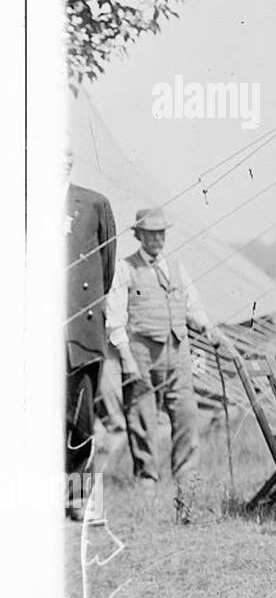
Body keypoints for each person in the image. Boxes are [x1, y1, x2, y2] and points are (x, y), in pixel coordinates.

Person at [103, 208, 219, 491]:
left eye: (161, 233)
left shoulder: (176, 266)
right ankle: (147, 479)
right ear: (139, 235)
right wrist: (126, 357)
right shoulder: (125, 268)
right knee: (142, 417)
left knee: (186, 413)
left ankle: (187, 478)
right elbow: (114, 317)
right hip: (141, 351)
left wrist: (207, 326)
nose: (157, 239)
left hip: (178, 349)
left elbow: (193, 306)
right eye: (151, 233)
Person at [65, 150, 117, 522]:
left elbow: (108, 268)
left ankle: (79, 500)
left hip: (80, 335)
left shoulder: (94, 203)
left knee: (81, 421)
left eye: (66, 156)